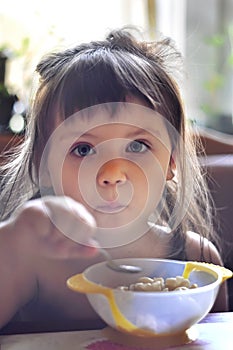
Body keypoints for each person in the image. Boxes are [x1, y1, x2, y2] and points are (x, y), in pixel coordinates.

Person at [0, 27, 229, 331]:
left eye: (137, 146)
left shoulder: (195, 259)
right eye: (83, 149)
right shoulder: (31, 258)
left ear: (171, 161)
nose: (112, 174)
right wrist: (12, 242)